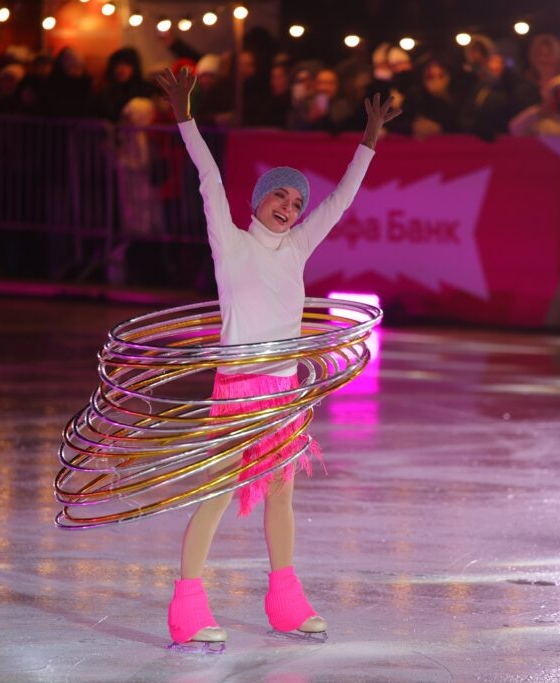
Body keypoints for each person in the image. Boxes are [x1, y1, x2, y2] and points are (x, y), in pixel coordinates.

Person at [155, 66, 400, 651]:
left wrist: (368, 142)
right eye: (280, 197)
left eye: (296, 202)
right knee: (217, 492)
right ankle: (187, 605)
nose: (290, 208)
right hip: (239, 389)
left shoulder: (297, 248)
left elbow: (340, 201)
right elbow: (209, 177)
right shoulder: (231, 241)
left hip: (284, 389)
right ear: (258, 201)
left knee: (283, 494)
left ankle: (285, 601)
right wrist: (184, 116)